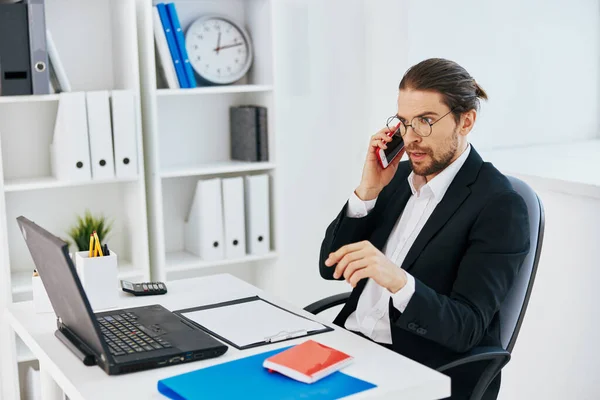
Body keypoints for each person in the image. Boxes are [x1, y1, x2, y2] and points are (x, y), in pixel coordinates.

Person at [319, 58, 530, 400]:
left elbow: (466, 327)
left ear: (466, 121)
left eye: (426, 121)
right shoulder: (396, 180)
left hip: (418, 370)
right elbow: (329, 267)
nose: (411, 138)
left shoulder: (499, 205)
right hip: (349, 351)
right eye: (404, 122)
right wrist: (367, 191)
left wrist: (397, 280)